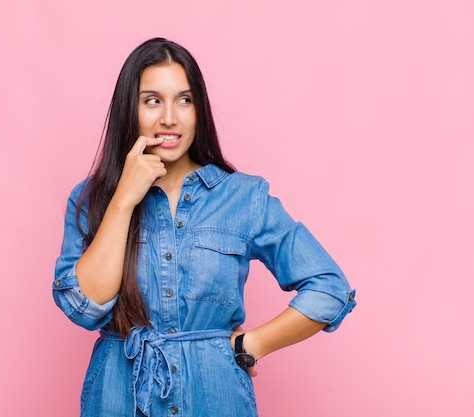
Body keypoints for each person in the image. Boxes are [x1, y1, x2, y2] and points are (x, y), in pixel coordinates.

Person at [52, 37, 356, 417]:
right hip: (117, 399)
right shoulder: (92, 198)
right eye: (152, 101)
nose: (169, 118)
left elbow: (330, 288)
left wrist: (252, 344)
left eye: (184, 100)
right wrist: (124, 200)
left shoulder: (244, 197)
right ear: (129, 109)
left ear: (200, 109)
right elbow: (84, 308)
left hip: (216, 397)